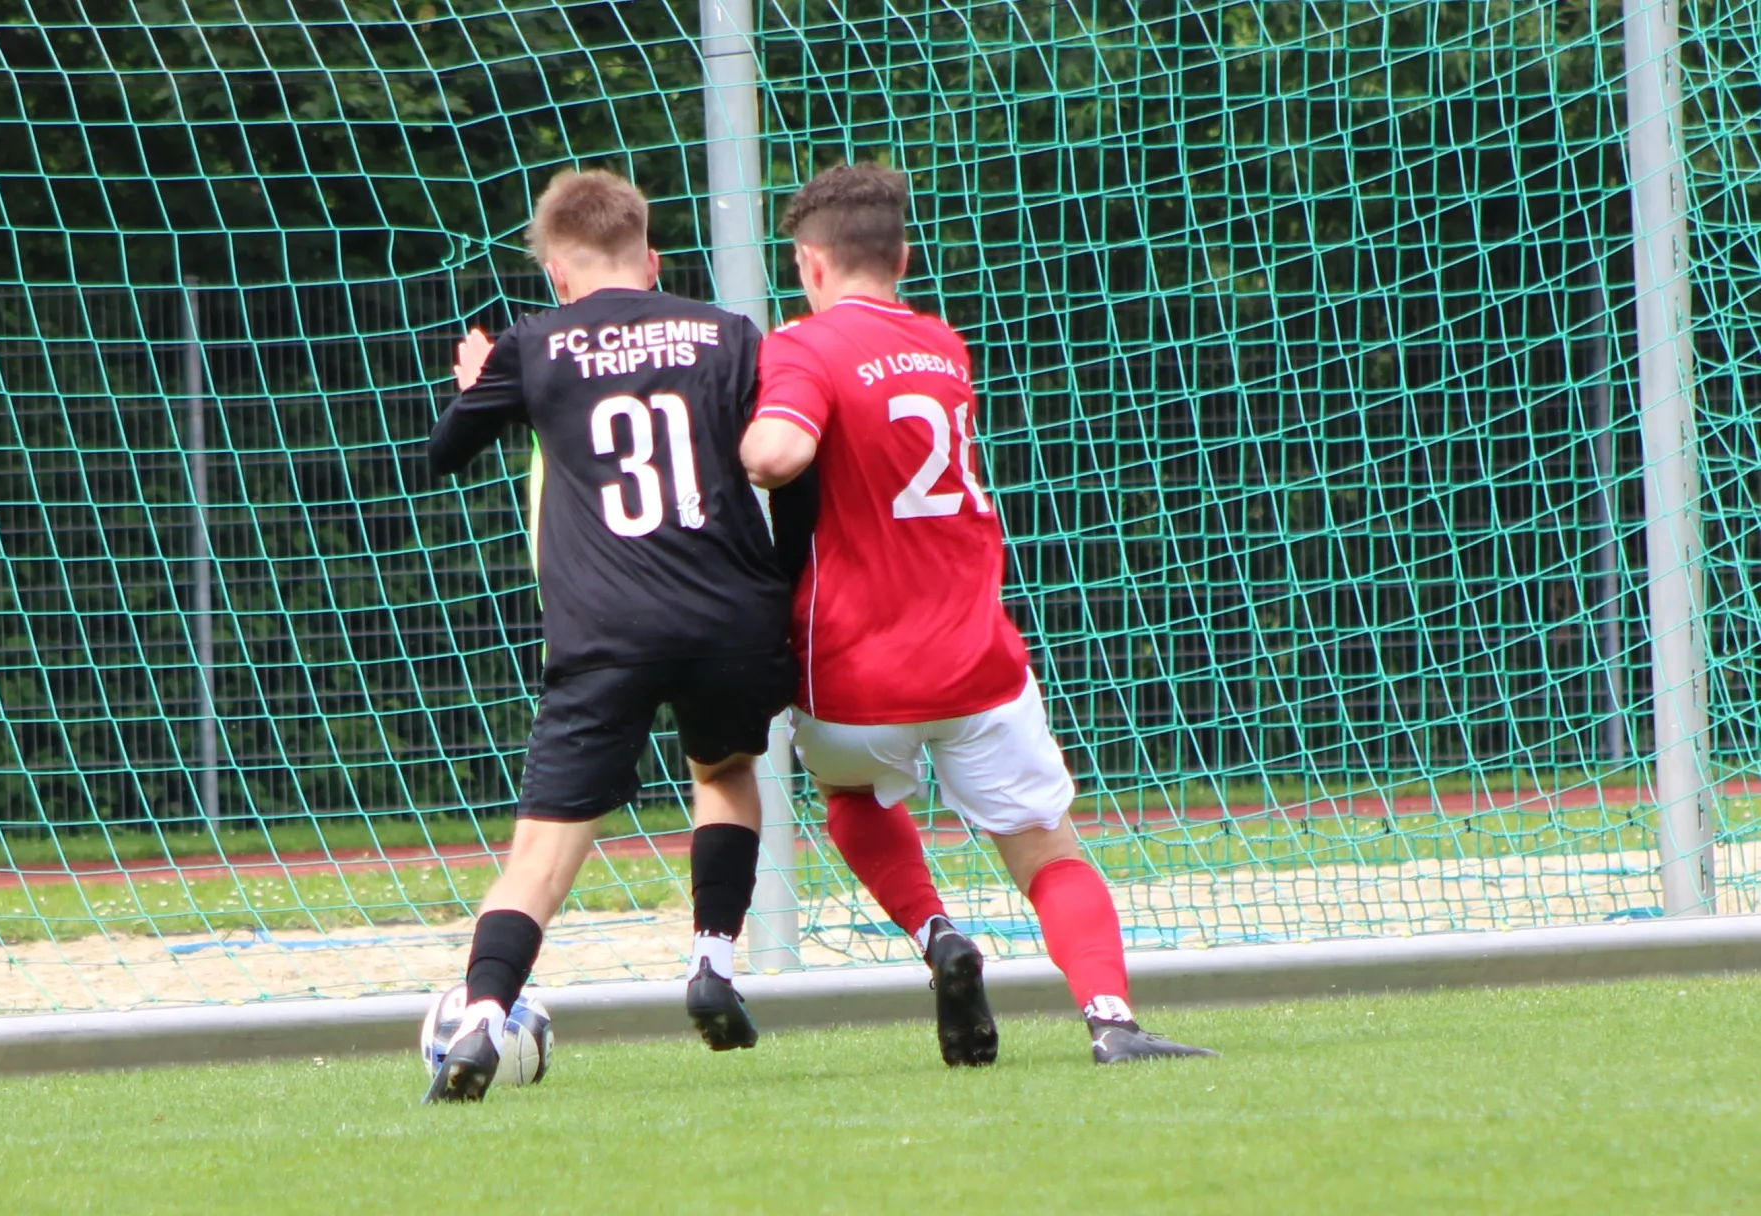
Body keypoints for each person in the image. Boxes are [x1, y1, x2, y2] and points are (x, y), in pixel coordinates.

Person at [740, 163, 1217, 1066]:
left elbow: (775, 454)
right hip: (974, 660)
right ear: (902, 258)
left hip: (853, 672)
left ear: (810, 263)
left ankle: (938, 936)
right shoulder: (943, 347)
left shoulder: (802, 346)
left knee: (852, 796)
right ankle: (1112, 1020)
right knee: (1048, 851)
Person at [423, 168, 797, 1102]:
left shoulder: (534, 342)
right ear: (652, 259)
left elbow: (444, 453)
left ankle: (482, 1018)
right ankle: (712, 962)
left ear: (556, 273)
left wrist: (476, 386)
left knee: (542, 851)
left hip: (604, 630)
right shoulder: (728, 332)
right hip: (730, 614)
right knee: (724, 772)